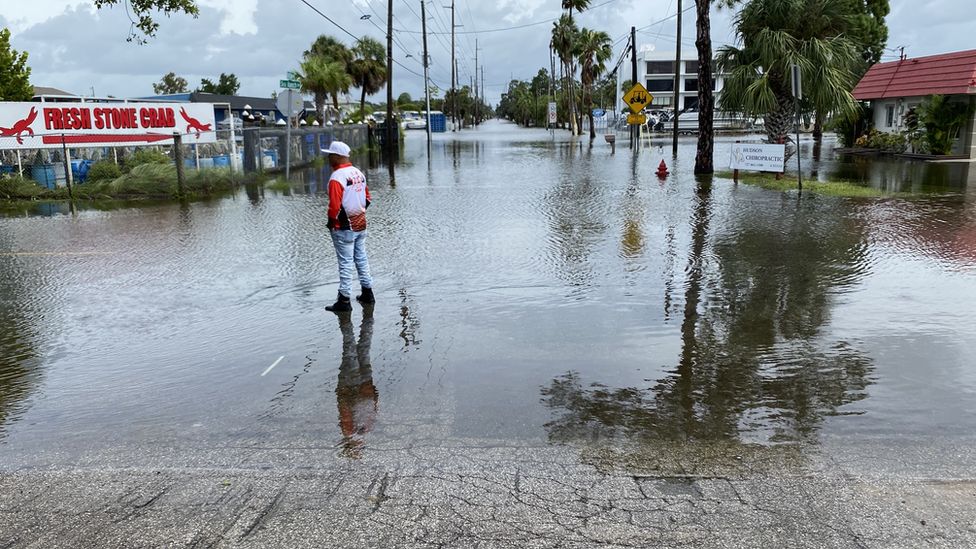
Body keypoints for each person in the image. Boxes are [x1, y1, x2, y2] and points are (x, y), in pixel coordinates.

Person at [322, 141, 374, 312]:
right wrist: (358, 214)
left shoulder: (337, 177)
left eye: (330, 155)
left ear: (338, 156)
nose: (328, 158)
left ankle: (344, 300)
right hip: (360, 224)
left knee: (345, 263)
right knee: (361, 258)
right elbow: (367, 198)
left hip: (344, 228)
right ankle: (367, 293)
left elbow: (335, 206)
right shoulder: (358, 173)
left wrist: (332, 223)